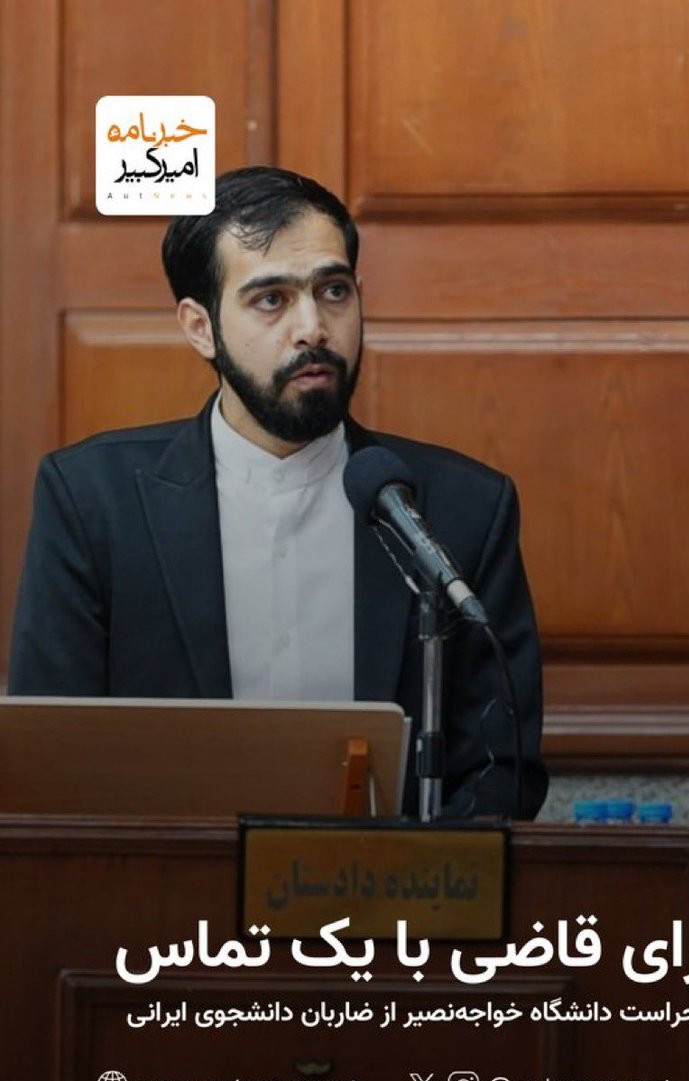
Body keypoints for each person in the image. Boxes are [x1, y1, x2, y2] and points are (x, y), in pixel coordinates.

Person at [8, 166, 547, 818]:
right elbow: (52, 762)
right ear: (200, 326)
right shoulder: (93, 503)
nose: (313, 327)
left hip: (391, 884)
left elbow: (500, 772)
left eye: (334, 291)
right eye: (272, 300)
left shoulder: (463, 510)